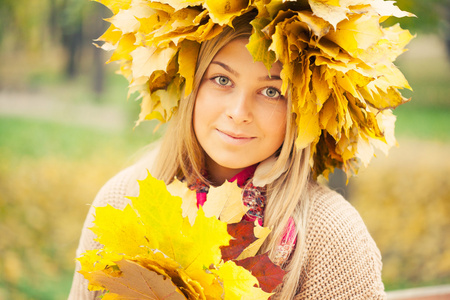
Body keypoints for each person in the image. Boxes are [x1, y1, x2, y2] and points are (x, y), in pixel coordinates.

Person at [69, 1, 413, 299]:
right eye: (222, 80)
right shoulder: (123, 198)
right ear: (190, 86)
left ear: (301, 110)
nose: (238, 112)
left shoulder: (331, 235)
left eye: (271, 92)